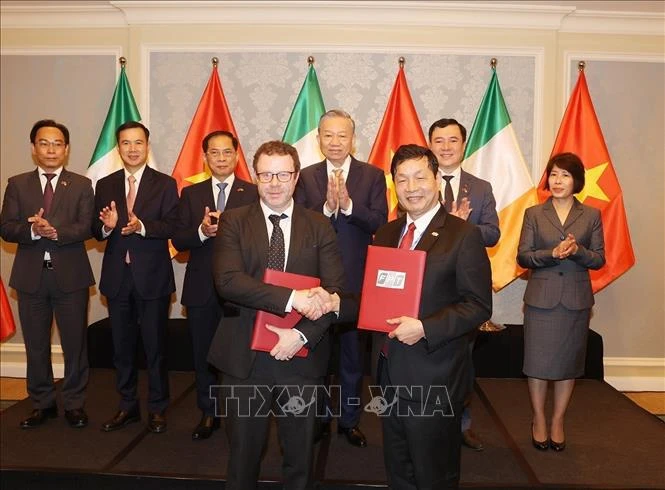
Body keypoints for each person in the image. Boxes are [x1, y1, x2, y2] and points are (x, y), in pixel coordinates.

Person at [207, 140, 344, 490]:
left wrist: (300, 335)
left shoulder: (319, 226)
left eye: (283, 173)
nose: (274, 182)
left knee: (300, 461)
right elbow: (228, 282)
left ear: (297, 177)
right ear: (254, 176)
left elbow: (334, 294)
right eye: (266, 174)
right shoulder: (234, 222)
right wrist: (292, 298)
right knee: (242, 459)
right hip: (243, 360)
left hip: (300, 360)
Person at [377, 144, 491, 488]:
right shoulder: (385, 234)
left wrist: (425, 328)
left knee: (433, 474)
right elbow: (376, 296)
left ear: (437, 179)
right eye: (402, 179)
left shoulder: (463, 235)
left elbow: (477, 305)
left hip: (434, 377)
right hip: (389, 373)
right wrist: (333, 300)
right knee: (399, 470)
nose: (411, 187)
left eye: (419, 177)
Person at [294, 109, 387, 447]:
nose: (335, 142)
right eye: (328, 135)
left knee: (351, 356)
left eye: (341, 135)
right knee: (316, 353)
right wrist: (323, 209)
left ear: (353, 138)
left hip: (354, 281)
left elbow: (381, 222)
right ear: (319, 139)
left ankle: (349, 420)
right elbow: (297, 223)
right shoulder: (304, 176)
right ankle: (317, 417)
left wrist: (348, 206)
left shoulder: (372, 175)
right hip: (312, 280)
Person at [0, 119, 95, 429]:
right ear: (33, 148)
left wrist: (55, 232)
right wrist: (31, 229)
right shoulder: (17, 184)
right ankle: (42, 403)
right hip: (31, 278)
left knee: (74, 344)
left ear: (66, 150)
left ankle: (74, 404)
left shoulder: (81, 184)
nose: (51, 149)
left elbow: (87, 226)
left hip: (71, 277)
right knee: (36, 344)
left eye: (57, 144)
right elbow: (6, 227)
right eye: (44, 143)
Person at [92, 121, 179, 434]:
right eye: (126, 143)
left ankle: (157, 408)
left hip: (152, 277)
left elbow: (172, 226)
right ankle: (127, 406)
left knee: (155, 347)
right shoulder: (105, 184)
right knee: (122, 348)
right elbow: (95, 229)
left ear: (147, 145)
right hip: (117, 278)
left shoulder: (165, 184)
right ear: (119, 147)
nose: (132, 149)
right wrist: (108, 225)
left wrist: (142, 226)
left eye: (138, 143)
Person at [172, 130, 257, 441]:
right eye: (214, 153)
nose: (221, 158)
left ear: (236, 156)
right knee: (203, 354)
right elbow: (178, 241)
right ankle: (209, 412)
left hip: (242, 289)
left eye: (226, 152)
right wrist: (203, 231)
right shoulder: (191, 195)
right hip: (201, 288)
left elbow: (262, 242)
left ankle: (239, 414)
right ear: (205, 158)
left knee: (239, 356)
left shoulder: (253, 193)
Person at [517, 152, 605, 452]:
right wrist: (550, 254)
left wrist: (577, 250)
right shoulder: (534, 214)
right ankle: (539, 418)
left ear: (576, 180)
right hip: (541, 300)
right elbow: (523, 256)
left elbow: (599, 259)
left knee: (568, 364)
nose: (557, 180)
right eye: (553, 174)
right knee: (538, 365)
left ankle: (558, 420)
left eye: (565, 175)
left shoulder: (591, 215)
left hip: (575, 300)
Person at [428, 117, 500, 451]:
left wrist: (463, 228)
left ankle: (462, 423)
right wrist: (448, 225)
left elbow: (493, 232)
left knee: (463, 358)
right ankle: (429, 419)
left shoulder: (481, 187)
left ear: (463, 144)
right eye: (439, 141)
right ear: (430, 145)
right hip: (428, 284)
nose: (445, 147)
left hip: (466, 285)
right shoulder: (419, 182)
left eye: (452, 140)